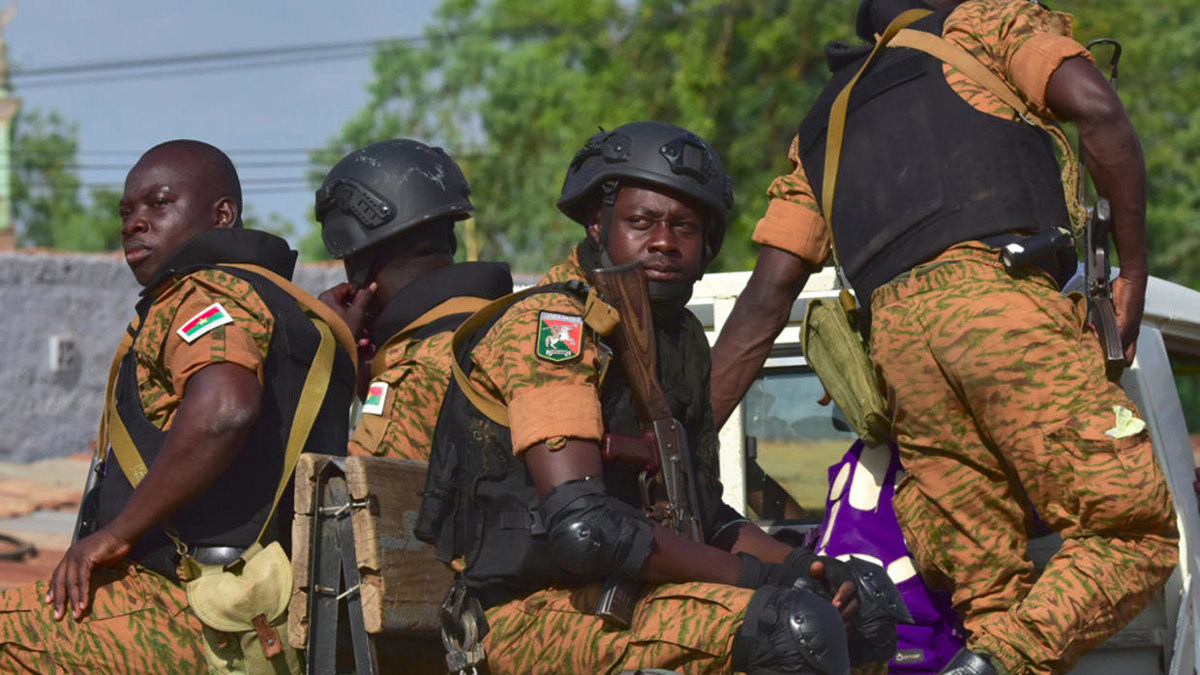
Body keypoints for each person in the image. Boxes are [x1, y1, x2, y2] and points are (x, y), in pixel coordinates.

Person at [708, 1, 1177, 673]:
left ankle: (989, 657)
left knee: (990, 597)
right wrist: (1132, 268)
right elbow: (1096, 108)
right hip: (1000, 303)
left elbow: (764, 298)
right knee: (1134, 533)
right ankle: (997, 662)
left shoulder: (823, 122)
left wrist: (681, 445)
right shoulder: (982, 25)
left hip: (901, 355)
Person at [418, 121, 912, 675]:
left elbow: (703, 516)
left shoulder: (676, 342)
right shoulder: (553, 327)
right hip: (524, 616)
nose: (663, 243)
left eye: (685, 227)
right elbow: (584, 529)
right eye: (641, 222)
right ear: (597, 222)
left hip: (628, 594)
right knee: (790, 628)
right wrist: (769, 580)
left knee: (860, 602)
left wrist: (809, 567)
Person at [0, 140, 357, 674]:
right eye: (126, 211)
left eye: (158, 204)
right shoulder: (294, 312)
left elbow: (224, 410)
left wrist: (112, 536)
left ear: (222, 215)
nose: (134, 224)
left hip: (187, 609)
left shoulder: (201, 293)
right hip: (276, 617)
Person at [315, 139, 513, 461]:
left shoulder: (413, 373)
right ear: (450, 239)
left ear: (358, 265)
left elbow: (341, 495)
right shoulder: (503, 325)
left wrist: (334, 366)